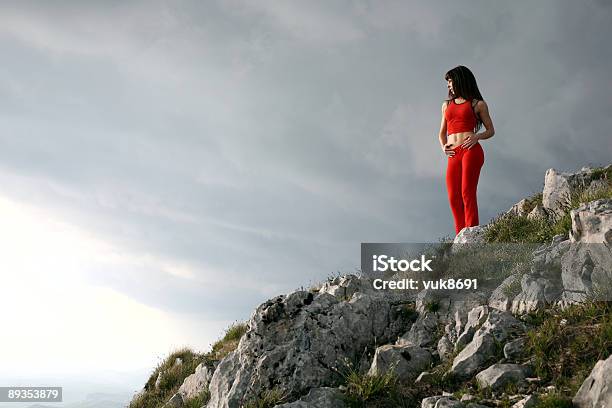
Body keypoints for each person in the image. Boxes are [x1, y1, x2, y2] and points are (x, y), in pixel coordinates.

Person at [438, 65, 495, 235]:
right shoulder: (446, 105)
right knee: (453, 197)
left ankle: (471, 233)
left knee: (466, 192)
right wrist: (443, 147)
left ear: (461, 81)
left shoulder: (478, 104)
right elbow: (441, 133)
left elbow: (491, 130)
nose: (449, 85)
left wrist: (477, 137)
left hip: (471, 150)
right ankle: (460, 235)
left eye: (451, 81)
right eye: (447, 83)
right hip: (453, 153)